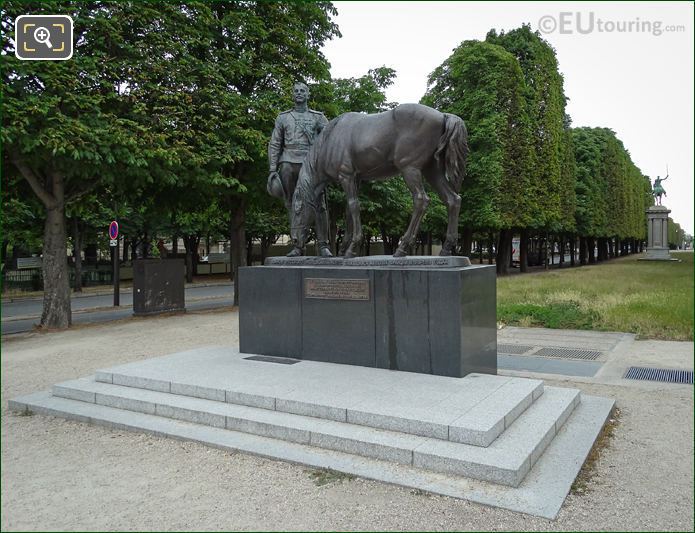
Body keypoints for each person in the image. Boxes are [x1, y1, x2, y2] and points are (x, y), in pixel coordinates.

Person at [267, 82, 332, 257]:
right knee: (293, 205)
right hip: (288, 163)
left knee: (319, 204)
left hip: (311, 164)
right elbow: (275, 143)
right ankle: (298, 245)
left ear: (308, 94)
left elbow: (329, 140)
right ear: (292, 95)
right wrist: (273, 168)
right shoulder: (283, 117)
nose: (299, 93)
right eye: (296, 91)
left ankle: (323, 245)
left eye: (302, 90)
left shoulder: (318, 117)